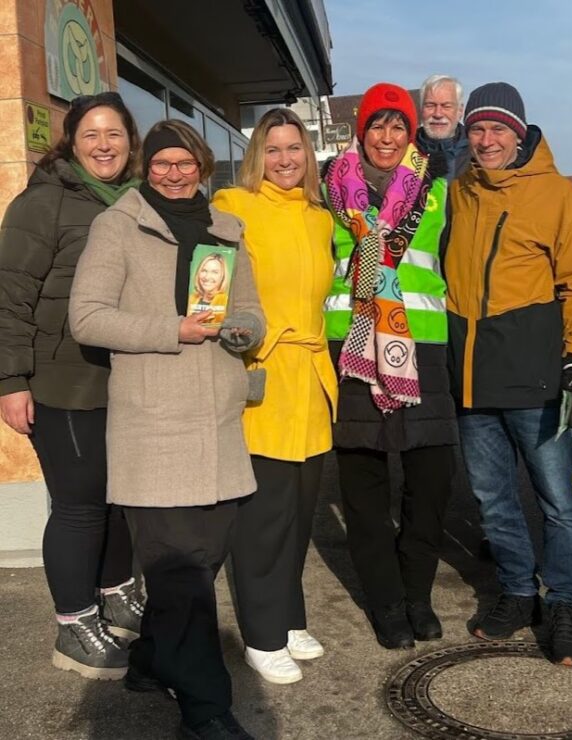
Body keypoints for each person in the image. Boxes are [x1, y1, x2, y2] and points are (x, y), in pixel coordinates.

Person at [69, 119, 264, 739]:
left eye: (185, 164)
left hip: (218, 421)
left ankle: (152, 659)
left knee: (201, 563)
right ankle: (206, 709)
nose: (174, 174)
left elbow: (252, 311)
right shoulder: (117, 226)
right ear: (145, 168)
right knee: (181, 574)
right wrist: (169, 329)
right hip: (154, 426)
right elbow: (88, 318)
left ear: (203, 167)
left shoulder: (226, 230)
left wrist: (244, 331)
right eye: (161, 164)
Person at [443, 82, 572, 665]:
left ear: (520, 133)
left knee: (556, 499)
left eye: (498, 129)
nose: (487, 140)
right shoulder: (459, 191)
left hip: (532, 371)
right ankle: (516, 590)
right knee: (492, 497)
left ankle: (565, 601)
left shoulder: (556, 193)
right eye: (477, 129)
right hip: (471, 373)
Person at [0, 92, 143, 680]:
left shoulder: (137, 200)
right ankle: (75, 623)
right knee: (80, 505)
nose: (104, 145)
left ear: (130, 141)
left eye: (114, 134)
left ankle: (115, 592)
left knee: (116, 500)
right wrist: (10, 380)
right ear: (72, 142)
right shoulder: (44, 204)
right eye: (91, 135)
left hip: (125, 379)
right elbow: (9, 296)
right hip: (62, 382)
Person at [323, 82, 457, 649]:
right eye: (377, 124)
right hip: (351, 344)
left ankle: (417, 593)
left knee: (430, 480)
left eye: (398, 125)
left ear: (411, 133)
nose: (387, 135)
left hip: (420, 342)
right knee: (364, 483)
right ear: (361, 131)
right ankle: (385, 602)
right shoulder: (329, 190)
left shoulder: (438, 191)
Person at [212, 108, 336, 684]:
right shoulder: (233, 207)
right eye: (274, 149)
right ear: (256, 155)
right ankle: (261, 635)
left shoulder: (318, 217)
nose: (286, 160)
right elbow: (211, 283)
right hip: (264, 374)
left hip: (311, 377)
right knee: (264, 515)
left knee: (300, 512)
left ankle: (288, 618)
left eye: (296, 149)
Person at [416, 74, 469, 182]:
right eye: (430, 105)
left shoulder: (476, 155)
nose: (438, 114)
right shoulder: (405, 150)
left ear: (460, 110)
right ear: (421, 109)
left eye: (446, 106)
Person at [188, 252, 229, 321]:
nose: (207, 277)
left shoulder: (226, 302)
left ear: (223, 276)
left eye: (214, 272)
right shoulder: (192, 299)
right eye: (204, 270)